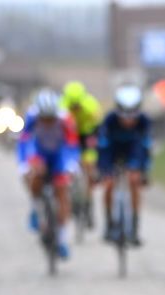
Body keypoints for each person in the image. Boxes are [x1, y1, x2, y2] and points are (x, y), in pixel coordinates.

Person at [17, 89, 79, 260]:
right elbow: (24, 141)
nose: (47, 121)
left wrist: (70, 165)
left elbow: (72, 145)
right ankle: (35, 208)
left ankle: (62, 240)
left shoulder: (65, 119)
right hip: (39, 153)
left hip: (59, 155)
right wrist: (25, 164)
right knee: (35, 176)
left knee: (62, 191)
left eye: (51, 118)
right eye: (44, 119)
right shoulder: (31, 117)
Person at [97, 85, 152, 246]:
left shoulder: (144, 121)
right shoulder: (109, 120)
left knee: (134, 182)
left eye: (131, 117)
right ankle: (109, 224)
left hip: (133, 151)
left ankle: (134, 228)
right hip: (112, 151)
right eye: (124, 117)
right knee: (108, 185)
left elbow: (144, 148)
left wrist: (142, 170)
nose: (128, 121)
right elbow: (103, 147)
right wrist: (104, 170)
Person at [61, 81, 103, 226]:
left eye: (77, 105)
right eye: (72, 106)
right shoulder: (61, 107)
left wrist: (94, 141)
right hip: (68, 137)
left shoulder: (91, 105)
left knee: (89, 165)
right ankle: (70, 195)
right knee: (65, 169)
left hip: (86, 135)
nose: (75, 108)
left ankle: (88, 203)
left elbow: (98, 127)